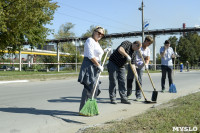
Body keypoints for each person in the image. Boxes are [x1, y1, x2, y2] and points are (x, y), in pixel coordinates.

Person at [78, 26, 105, 112]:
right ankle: (83, 109)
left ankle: (90, 109)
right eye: (99, 33)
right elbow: (90, 55)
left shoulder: (97, 43)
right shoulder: (90, 40)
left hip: (96, 66)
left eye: (102, 34)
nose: (100, 35)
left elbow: (98, 54)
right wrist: (98, 65)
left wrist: (104, 50)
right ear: (94, 32)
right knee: (88, 87)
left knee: (95, 88)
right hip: (90, 65)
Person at [127, 36, 153, 101]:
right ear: (146, 41)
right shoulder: (138, 45)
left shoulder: (148, 50)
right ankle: (128, 93)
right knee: (130, 79)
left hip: (141, 66)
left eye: (150, 44)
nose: (149, 45)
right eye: (149, 43)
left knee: (139, 80)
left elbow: (147, 58)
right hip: (132, 64)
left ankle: (138, 95)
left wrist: (146, 64)